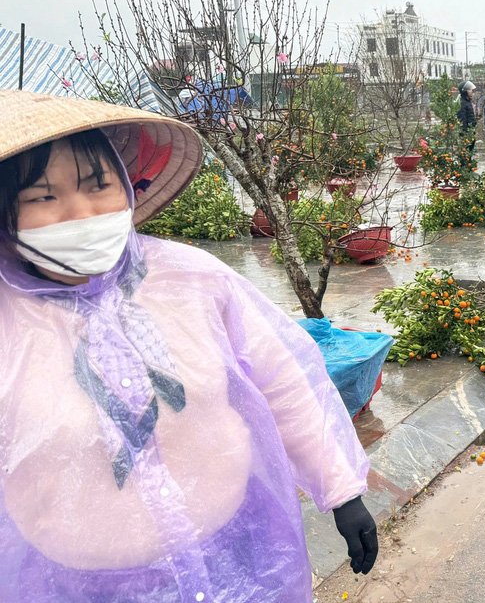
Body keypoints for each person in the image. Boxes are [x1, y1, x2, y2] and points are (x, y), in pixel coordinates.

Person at [0, 90, 379, 601]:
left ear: (127, 187)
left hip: (239, 554)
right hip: (78, 584)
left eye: (98, 185)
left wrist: (340, 490)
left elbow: (283, 381)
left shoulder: (193, 279)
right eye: (43, 197)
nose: (80, 213)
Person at [458, 80, 478, 153]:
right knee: (466, 153)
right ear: (464, 91)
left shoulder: (467, 102)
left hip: (471, 132)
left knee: (469, 153)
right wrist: (465, 133)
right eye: (469, 90)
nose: (472, 91)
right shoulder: (462, 103)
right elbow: (463, 119)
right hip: (466, 134)